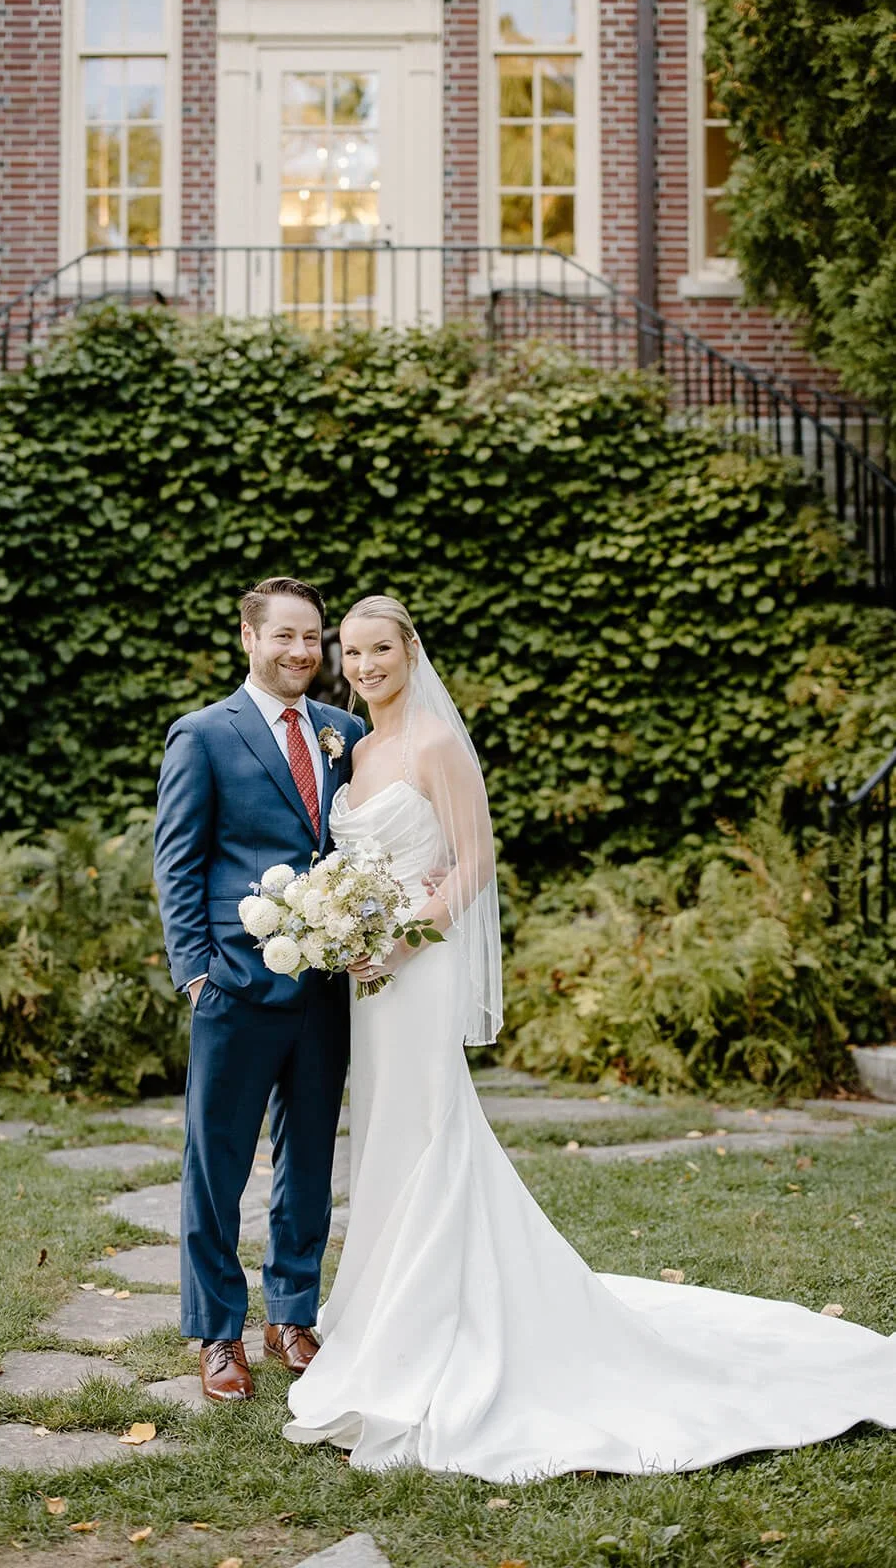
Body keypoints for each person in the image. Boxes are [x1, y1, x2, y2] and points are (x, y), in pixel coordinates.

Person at [283, 594, 896, 1480]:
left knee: (426, 1130)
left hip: (416, 968)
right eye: (352, 652)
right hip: (370, 982)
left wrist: (401, 940)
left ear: (410, 651)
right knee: (382, 1134)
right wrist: (351, 939)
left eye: (379, 648)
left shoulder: (435, 745)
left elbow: (474, 860)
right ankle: (381, 1312)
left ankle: (434, 1327)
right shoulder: (362, 748)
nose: (364, 665)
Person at [154, 577, 365, 1403]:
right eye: (284, 636)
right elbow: (177, 860)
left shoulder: (344, 731)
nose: (301, 652)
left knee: (308, 1157)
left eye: (312, 638)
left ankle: (291, 1313)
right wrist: (197, 972)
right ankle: (217, 1334)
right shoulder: (204, 735)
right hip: (235, 986)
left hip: (324, 992)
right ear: (249, 638)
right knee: (216, 1163)